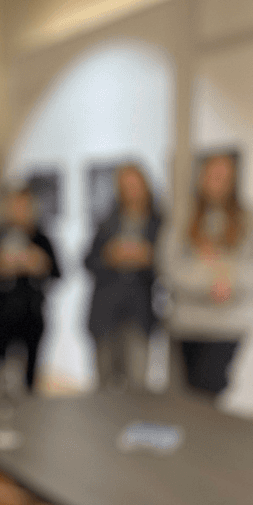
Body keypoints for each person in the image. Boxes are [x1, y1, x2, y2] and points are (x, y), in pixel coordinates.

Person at [162, 152, 253, 399]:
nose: (217, 183)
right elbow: (170, 266)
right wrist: (207, 284)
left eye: (223, 177)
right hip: (188, 322)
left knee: (209, 392)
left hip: (228, 323)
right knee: (189, 395)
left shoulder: (252, 220)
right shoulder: (183, 218)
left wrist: (230, 283)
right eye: (212, 175)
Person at [84, 163, 163, 391]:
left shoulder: (158, 223)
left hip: (138, 314)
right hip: (105, 314)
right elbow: (87, 261)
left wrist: (149, 258)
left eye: (134, 185)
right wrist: (109, 256)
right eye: (125, 186)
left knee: (137, 386)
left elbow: (168, 267)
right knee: (104, 386)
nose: (131, 191)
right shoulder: (107, 222)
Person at [0, 185, 61, 394]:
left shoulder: (41, 239)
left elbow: (57, 273)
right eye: (15, 206)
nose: (19, 211)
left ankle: (30, 407)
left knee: (31, 372)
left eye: (24, 206)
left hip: (32, 313)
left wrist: (37, 264)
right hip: (2, 314)